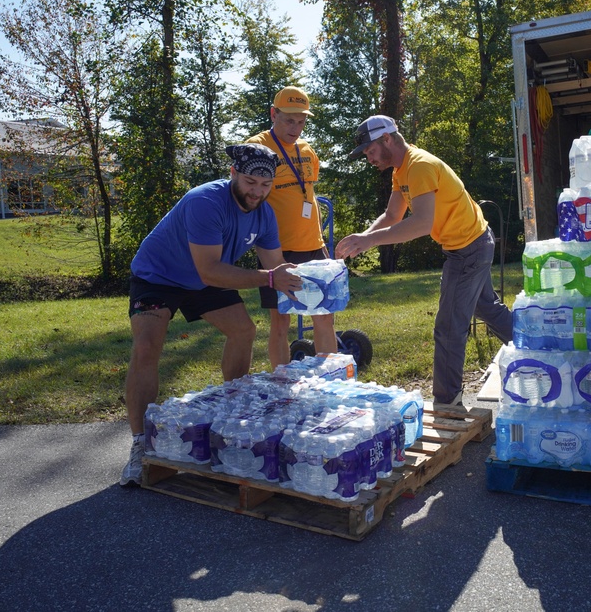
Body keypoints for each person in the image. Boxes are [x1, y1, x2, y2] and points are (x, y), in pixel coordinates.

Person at [119, 144, 301, 486]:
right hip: (159, 276)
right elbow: (211, 272)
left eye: (265, 185)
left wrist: (309, 283)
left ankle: (230, 414)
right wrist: (272, 278)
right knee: (146, 348)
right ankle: (140, 443)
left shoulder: (264, 213)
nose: (257, 192)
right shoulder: (206, 201)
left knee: (244, 331)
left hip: (205, 278)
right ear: (232, 173)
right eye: (250, 182)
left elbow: (274, 266)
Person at [335, 115, 512, 406]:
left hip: (468, 248)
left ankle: (447, 401)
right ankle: (533, 351)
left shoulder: (419, 167)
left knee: (448, 326)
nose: (369, 158)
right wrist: (363, 236)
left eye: (370, 151)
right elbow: (393, 216)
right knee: (486, 307)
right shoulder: (401, 169)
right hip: (474, 241)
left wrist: (368, 241)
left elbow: (420, 224)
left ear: (387, 139)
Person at [245, 86, 337, 369]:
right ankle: (282, 384)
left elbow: (306, 194)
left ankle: (330, 381)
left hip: (313, 246)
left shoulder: (307, 151)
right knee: (280, 320)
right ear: (274, 114)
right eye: (289, 120)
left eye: (301, 122)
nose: (295, 128)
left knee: (324, 315)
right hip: (276, 251)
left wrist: (321, 242)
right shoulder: (256, 147)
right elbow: (247, 196)